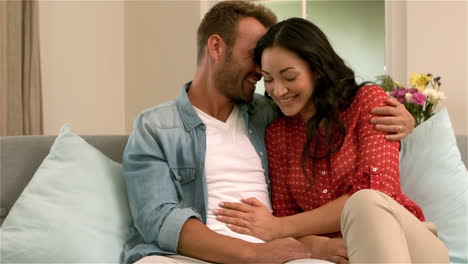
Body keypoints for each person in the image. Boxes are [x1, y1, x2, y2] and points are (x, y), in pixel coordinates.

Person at [123, 2, 416, 264]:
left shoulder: (270, 114)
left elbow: (327, 104)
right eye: (255, 57)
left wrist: (408, 120)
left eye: (280, 73)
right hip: (196, 257)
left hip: (282, 252)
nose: (265, 76)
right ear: (216, 47)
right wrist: (254, 254)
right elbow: (158, 218)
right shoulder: (156, 127)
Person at [213, 18, 449, 263]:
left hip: (409, 243)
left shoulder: (367, 102)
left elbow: (378, 191)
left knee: (365, 201)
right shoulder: (278, 134)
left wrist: (278, 227)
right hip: (349, 252)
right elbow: (287, 214)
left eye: (290, 77)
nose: (279, 90)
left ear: (317, 70)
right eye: (269, 79)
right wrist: (315, 244)